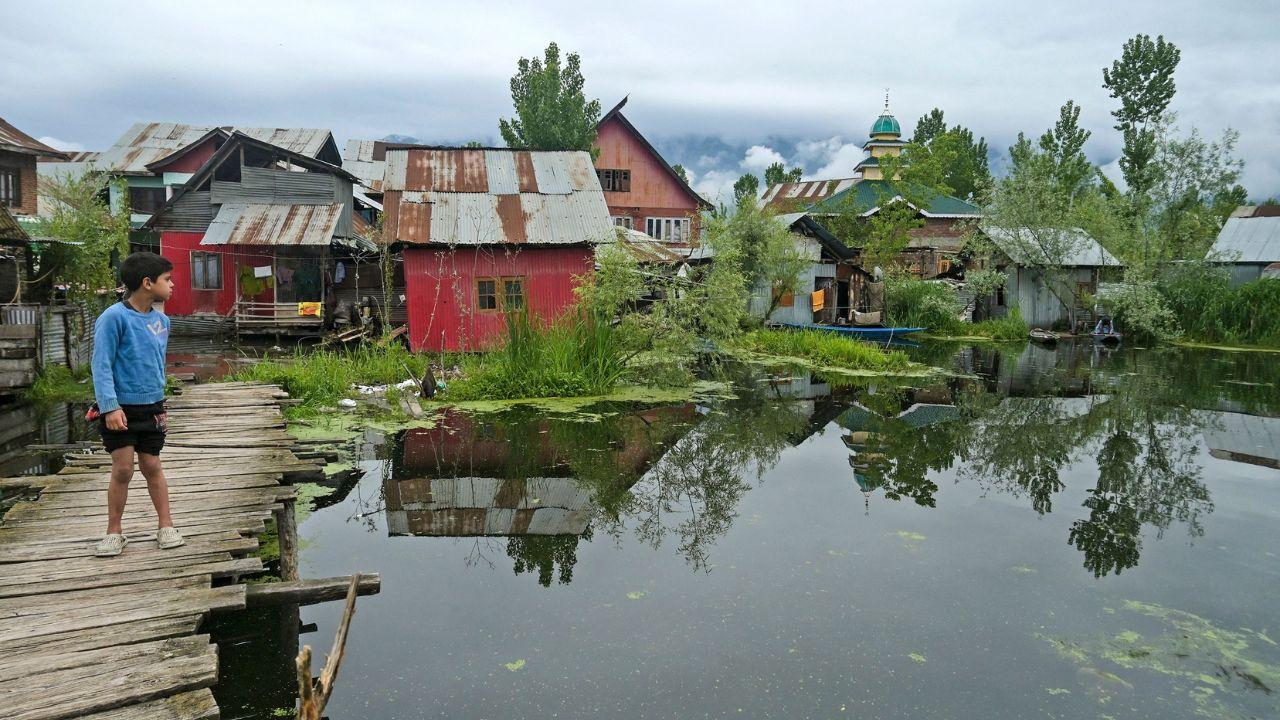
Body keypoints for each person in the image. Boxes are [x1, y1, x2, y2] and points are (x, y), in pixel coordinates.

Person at [91, 252, 184, 557]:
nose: (172, 285)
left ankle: (166, 525)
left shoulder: (162, 320)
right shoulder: (113, 318)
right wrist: (110, 407)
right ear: (147, 283)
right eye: (167, 280)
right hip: (120, 408)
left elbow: (156, 364)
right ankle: (114, 531)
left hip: (152, 407)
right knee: (122, 469)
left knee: (152, 465)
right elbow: (101, 365)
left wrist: (162, 400)